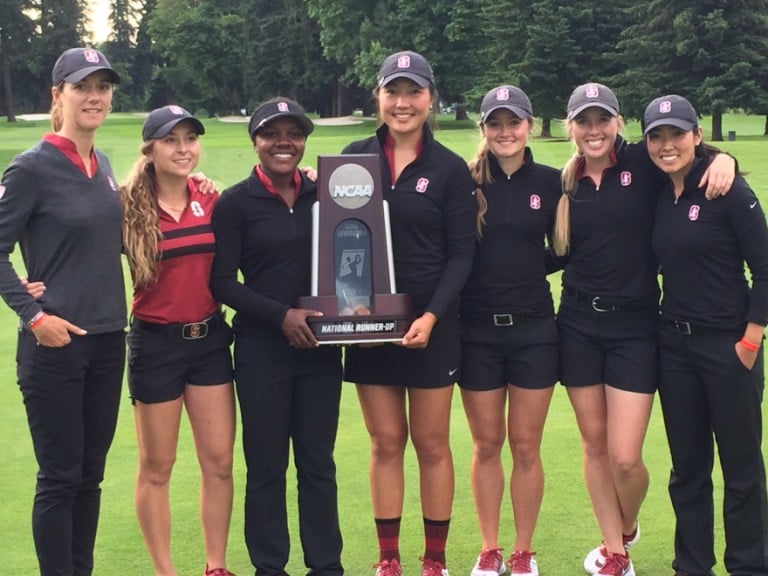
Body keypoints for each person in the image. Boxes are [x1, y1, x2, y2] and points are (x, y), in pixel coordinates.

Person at [552, 83, 736, 576]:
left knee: (626, 458)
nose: (594, 131)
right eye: (584, 121)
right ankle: (615, 552)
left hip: (635, 326)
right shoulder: (563, 183)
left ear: (618, 122)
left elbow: (683, 153)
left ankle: (626, 526)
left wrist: (725, 158)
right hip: (576, 324)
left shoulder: (641, 164)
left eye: (602, 120)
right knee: (594, 445)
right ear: (571, 127)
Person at [341, 51, 477, 576]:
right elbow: (334, 232)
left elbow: (462, 253)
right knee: (385, 442)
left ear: (430, 98)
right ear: (378, 96)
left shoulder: (448, 168)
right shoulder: (351, 159)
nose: (402, 103)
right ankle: (389, 559)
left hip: (431, 325)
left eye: (413, 92)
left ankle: (434, 561)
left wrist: (433, 316)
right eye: (392, 92)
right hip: (366, 322)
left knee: (431, 443)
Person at [0, 47, 126, 576]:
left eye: (102, 86)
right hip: (55, 346)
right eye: (82, 86)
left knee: (89, 476)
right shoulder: (31, 168)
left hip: (108, 341)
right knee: (58, 477)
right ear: (58, 95)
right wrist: (33, 314)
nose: (94, 96)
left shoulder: (105, 166)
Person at [209, 98, 344, 576]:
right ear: (256, 142)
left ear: (304, 142)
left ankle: (326, 566)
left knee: (317, 465)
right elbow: (222, 283)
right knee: (266, 467)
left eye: (294, 133)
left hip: (321, 349)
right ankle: (270, 567)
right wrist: (281, 315)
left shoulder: (324, 193)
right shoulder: (235, 203)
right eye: (272, 134)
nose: (284, 142)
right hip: (261, 350)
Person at [643, 95, 768, 576]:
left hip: (729, 347)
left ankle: (749, 566)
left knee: (741, 470)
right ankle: (691, 566)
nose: (667, 144)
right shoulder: (655, 190)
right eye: (658, 135)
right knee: (688, 470)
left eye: (677, 133)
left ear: (697, 135)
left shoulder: (727, 189)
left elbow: (765, 267)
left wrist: (751, 340)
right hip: (674, 347)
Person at [121, 105, 236, 576]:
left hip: (209, 341)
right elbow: (76, 244)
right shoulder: (126, 205)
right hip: (155, 345)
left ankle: (215, 566)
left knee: (220, 463)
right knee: (157, 468)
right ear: (150, 149)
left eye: (190, 138)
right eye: (171, 140)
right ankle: (166, 571)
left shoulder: (212, 199)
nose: (183, 148)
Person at [459, 86, 560, 576]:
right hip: (476, 331)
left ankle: (522, 551)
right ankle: (490, 547)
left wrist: (524, 267)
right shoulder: (464, 181)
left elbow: (565, 248)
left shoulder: (555, 181)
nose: (505, 132)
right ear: (484, 129)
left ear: (530, 125)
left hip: (535, 330)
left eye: (513, 122)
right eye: (495, 123)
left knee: (525, 445)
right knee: (485, 446)